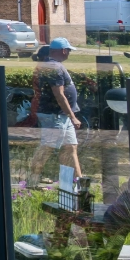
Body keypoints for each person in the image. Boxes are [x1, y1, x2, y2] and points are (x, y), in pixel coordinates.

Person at [31, 38, 83, 187]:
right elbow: (59, 95)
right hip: (55, 116)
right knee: (47, 147)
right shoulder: (54, 67)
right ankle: (31, 181)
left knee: (70, 147)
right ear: (64, 51)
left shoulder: (54, 65)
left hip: (62, 115)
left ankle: (79, 184)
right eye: (69, 50)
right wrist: (72, 116)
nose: (69, 53)